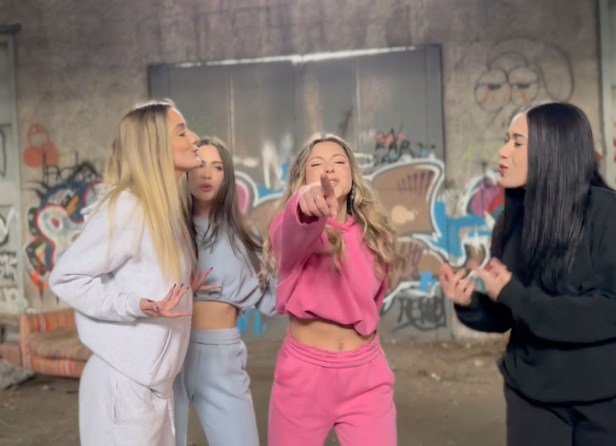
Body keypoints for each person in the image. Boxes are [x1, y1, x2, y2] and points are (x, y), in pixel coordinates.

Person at [439, 102, 616, 446]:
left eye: (517, 143)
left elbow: (606, 312)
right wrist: (469, 303)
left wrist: (514, 294)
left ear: (552, 150)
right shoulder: (511, 222)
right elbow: (508, 315)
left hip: (604, 397)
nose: (503, 152)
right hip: (532, 394)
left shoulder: (606, 214)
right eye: (506, 140)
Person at [49, 100, 204, 446]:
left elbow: (143, 273)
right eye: (181, 132)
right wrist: (134, 304)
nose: (194, 138)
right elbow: (67, 278)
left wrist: (184, 285)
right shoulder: (127, 207)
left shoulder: (165, 212)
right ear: (154, 146)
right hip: (123, 383)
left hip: (152, 384)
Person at [263, 133, 399, 446]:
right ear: (302, 178)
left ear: (352, 175)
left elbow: (373, 300)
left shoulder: (375, 235)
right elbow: (293, 230)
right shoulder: (291, 226)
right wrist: (304, 204)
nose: (329, 169)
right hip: (304, 378)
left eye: (338, 161)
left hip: (367, 376)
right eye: (316, 164)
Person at [173, 136, 275, 446]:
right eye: (199, 165)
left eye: (217, 167)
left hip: (222, 353)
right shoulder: (169, 228)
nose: (207, 174)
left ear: (226, 177)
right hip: (171, 348)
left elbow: (272, 299)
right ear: (185, 171)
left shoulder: (243, 232)